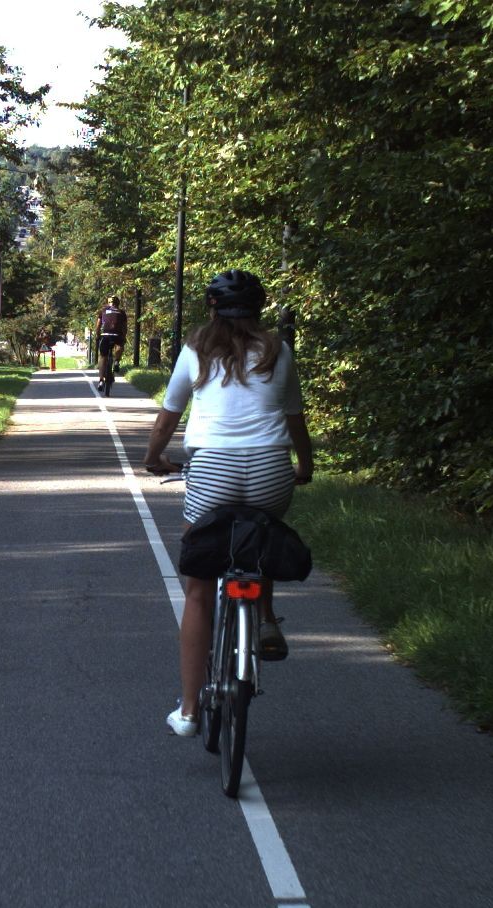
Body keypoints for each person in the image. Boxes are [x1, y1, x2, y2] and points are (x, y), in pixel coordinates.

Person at [141, 269, 313, 737]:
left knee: (199, 588)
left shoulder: (195, 350)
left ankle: (189, 711)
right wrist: (304, 466)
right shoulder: (279, 351)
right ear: (259, 309)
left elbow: (167, 418)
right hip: (271, 470)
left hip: (213, 471)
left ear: (212, 308)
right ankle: (266, 619)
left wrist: (154, 459)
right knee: (259, 532)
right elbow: (295, 421)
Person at [94, 295, 127, 395]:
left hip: (105, 336)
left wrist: (98, 335)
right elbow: (124, 327)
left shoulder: (103, 311)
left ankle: (101, 380)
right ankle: (116, 361)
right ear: (118, 303)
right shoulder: (121, 312)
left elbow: (98, 326)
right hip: (117, 335)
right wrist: (124, 337)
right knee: (120, 344)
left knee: (103, 357)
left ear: (108, 303)